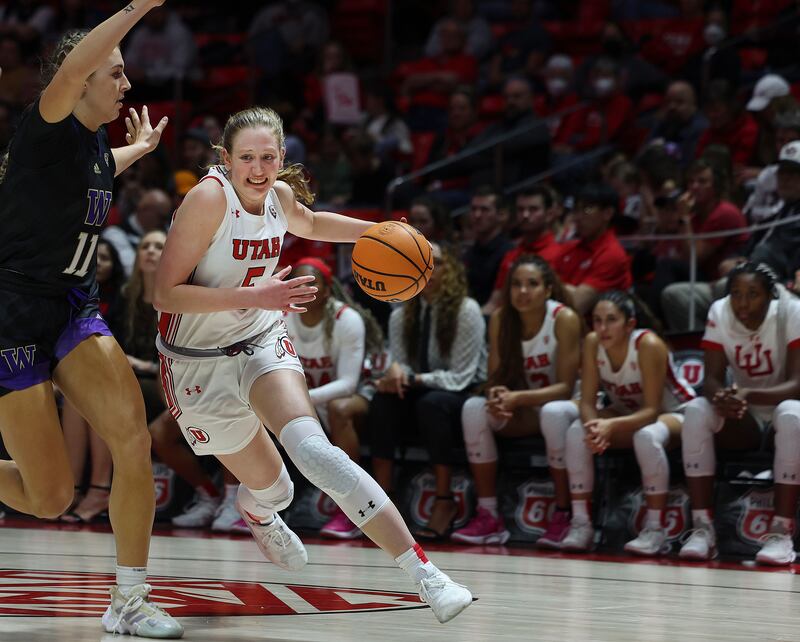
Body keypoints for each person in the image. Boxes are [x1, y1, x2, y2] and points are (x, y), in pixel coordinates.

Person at [153, 106, 473, 623]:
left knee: (316, 454)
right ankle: (257, 510)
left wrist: (383, 233)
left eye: (268, 158)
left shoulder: (278, 196)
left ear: (282, 158)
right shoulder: (208, 200)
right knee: (274, 489)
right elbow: (164, 295)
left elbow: (311, 221)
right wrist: (258, 295)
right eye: (247, 158)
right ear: (226, 159)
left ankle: (428, 578)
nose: (258, 169)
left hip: (258, 340)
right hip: (195, 364)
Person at [0, 2, 182, 638]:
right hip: (13, 313)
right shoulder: (47, 125)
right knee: (48, 499)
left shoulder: (98, 151)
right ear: (80, 80)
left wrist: (141, 148)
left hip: (74, 308)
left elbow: (103, 171)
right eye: (117, 72)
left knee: (131, 438)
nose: (126, 84)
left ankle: (129, 600)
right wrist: (138, 6)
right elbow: (78, 64)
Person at [540, 291, 695, 555]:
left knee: (646, 436)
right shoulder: (592, 342)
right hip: (627, 414)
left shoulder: (648, 344)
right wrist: (595, 428)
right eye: (597, 320)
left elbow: (651, 410)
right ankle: (581, 524)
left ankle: (655, 529)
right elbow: (587, 402)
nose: (602, 328)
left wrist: (609, 427)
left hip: (675, 414)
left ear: (630, 324)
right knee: (578, 431)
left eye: (611, 320)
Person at [451, 255, 581, 546]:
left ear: (548, 289)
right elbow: (496, 378)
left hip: (568, 407)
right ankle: (488, 516)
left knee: (553, 413)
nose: (523, 291)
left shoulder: (564, 319)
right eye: (517, 285)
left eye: (532, 284)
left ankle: (564, 513)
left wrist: (517, 397)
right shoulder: (501, 318)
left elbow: (565, 388)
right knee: (474, 408)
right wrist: (497, 396)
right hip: (525, 407)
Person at [679, 263, 800, 565]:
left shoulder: (791, 311)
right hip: (743, 414)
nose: (742, 303)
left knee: (791, 413)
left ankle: (781, 532)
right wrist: (721, 397)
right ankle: (702, 529)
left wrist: (748, 394)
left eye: (753, 294)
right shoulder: (719, 312)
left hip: (781, 407)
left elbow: (798, 385)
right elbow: (711, 378)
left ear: (770, 296)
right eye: (736, 294)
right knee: (696, 410)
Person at [366, 243, 487, 541]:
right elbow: (401, 367)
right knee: (382, 401)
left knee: (432, 405)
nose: (429, 270)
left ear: (451, 271)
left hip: (462, 395)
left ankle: (444, 501)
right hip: (421, 390)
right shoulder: (401, 313)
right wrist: (393, 376)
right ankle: (384, 501)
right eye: (421, 263)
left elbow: (460, 377)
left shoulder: (466, 310)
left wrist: (409, 376)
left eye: (437, 263)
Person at [284, 257, 385, 539]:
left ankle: (351, 510)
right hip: (307, 400)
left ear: (327, 290)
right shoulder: (281, 317)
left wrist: (301, 399)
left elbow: (347, 384)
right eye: (297, 283)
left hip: (352, 397)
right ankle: (254, 506)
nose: (303, 289)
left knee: (338, 408)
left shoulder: (347, 319)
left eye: (311, 284)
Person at [59, 239, 125, 524]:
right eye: (94, 257)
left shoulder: (124, 296)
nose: (98, 263)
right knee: (77, 396)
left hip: (132, 373)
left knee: (94, 392)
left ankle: (99, 488)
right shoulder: (68, 294)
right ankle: (72, 488)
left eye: (105, 258)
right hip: (82, 373)